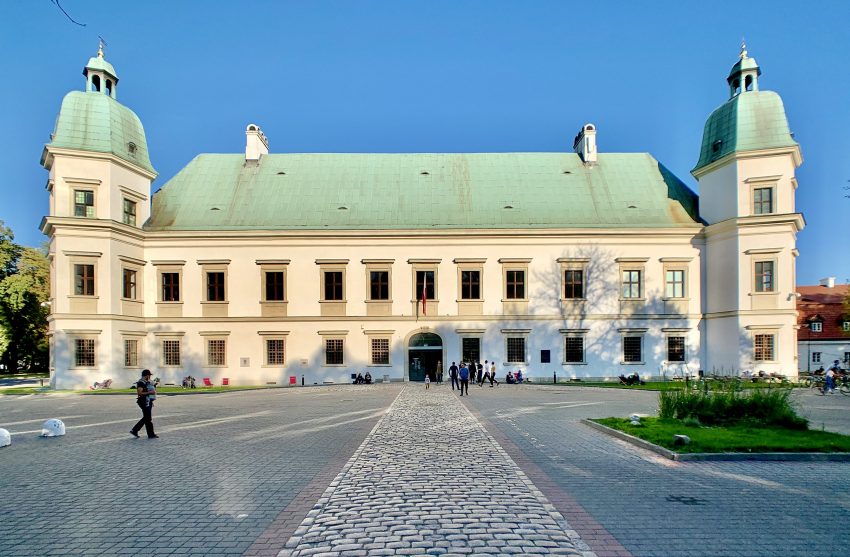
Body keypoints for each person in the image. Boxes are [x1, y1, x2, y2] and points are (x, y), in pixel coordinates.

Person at [130, 369, 158, 439]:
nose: (150, 377)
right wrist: (150, 392)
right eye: (149, 375)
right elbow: (140, 393)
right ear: (147, 375)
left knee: (147, 418)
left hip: (147, 401)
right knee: (147, 418)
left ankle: (135, 430)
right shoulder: (141, 383)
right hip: (143, 402)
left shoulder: (146, 382)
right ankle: (150, 434)